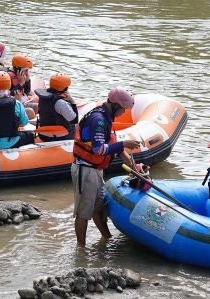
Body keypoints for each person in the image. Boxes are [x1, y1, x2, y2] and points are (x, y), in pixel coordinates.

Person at [72, 86, 139, 247]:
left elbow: (110, 144)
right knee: (83, 212)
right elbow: (99, 149)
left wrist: (130, 161)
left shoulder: (105, 116)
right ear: (115, 105)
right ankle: (81, 249)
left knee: (99, 207)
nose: (123, 113)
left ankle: (106, 238)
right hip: (85, 169)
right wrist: (124, 144)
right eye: (123, 109)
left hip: (95, 170)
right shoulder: (99, 120)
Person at [35, 72, 78, 141]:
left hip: (42, 135)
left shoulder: (43, 97)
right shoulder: (61, 103)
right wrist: (72, 102)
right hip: (57, 138)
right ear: (65, 89)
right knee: (74, 125)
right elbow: (74, 120)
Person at [8, 53, 37, 119]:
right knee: (35, 107)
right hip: (14, 105)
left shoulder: (21, 76)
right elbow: (9, 95)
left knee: (37, 99)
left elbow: (26, 92)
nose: (27, 73)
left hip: (21, 101)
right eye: (25, 70)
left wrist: (27, 80)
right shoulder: (8, 77)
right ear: (18, 69)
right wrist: (20, 83)